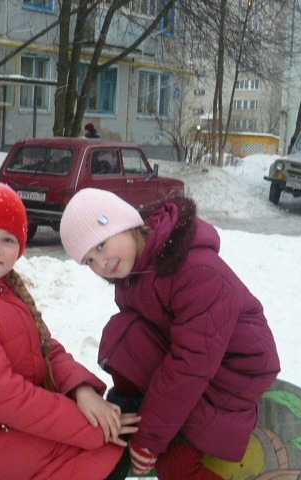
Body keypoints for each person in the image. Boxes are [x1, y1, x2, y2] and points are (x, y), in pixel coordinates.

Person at [0, 181, 140, 480]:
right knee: (108, 453)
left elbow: (46, 347)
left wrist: (81, 390)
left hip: (14, 423)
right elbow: (2, 395)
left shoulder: (1, 286)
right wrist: (93, 427)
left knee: (117, 448)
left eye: (8, 240)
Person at [60, 189, 281, 480]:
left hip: (234, 370)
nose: (101, 264)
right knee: (122, 334)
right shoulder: (135, 273)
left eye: (101, 245)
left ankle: (151, 422)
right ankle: (133, 410)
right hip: (197, 359)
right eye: (89, 260)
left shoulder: (196, 271)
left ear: (127, 225)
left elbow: (191, 364)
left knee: (175, 467)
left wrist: (149, 439)